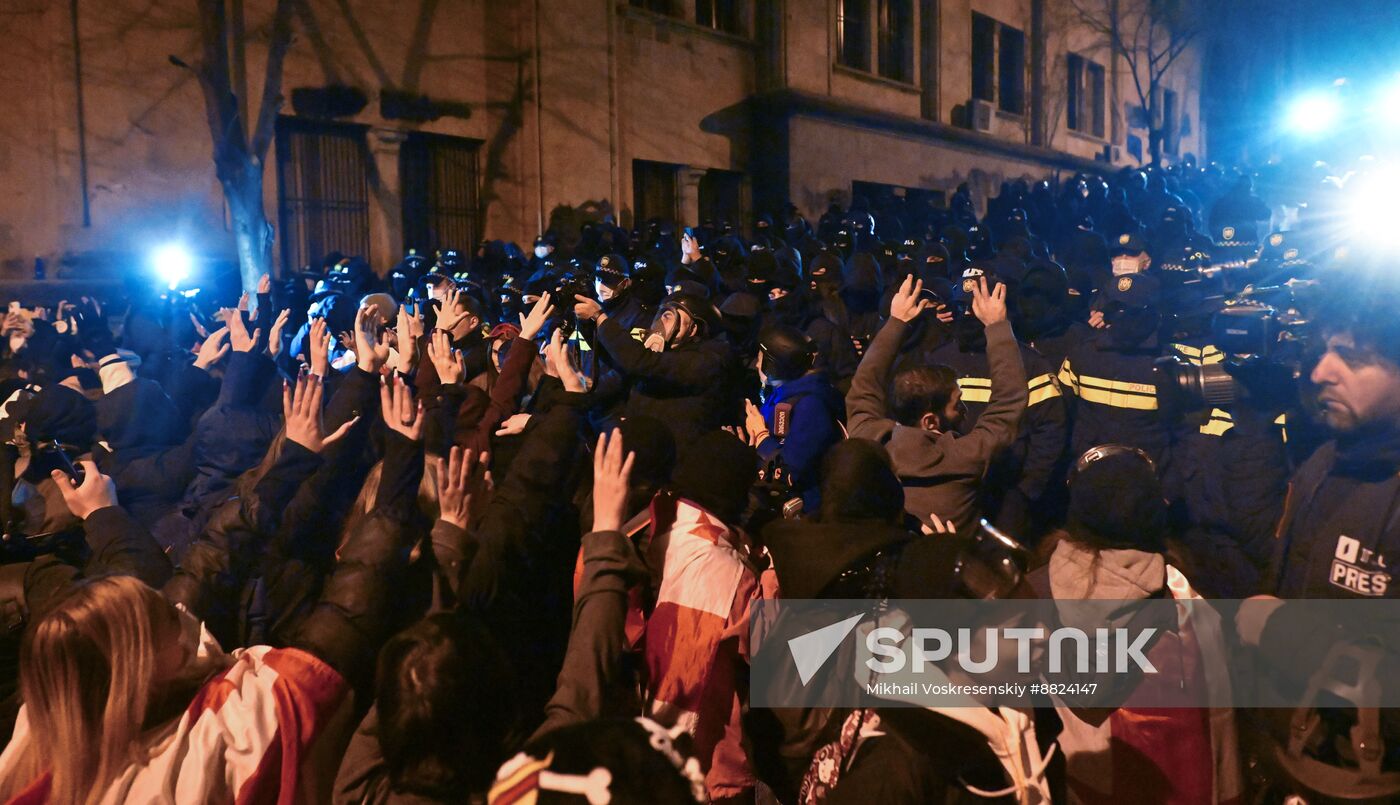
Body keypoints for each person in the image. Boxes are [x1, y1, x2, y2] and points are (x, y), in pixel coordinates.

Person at [846, 274, 1027, 532]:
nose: (965, 411)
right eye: (957, 404)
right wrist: (996, 326)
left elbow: (863, 388)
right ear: (930, 421)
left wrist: (896, 322)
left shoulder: (873, 445)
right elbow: (1008, 402)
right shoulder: (964, 459)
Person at [745, 325, 845, 513]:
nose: (757, 365)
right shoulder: (785, 394)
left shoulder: (811, 406)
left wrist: (760, 436)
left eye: (760, 360)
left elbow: (789, 471)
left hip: (804, 510)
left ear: (774, 366)